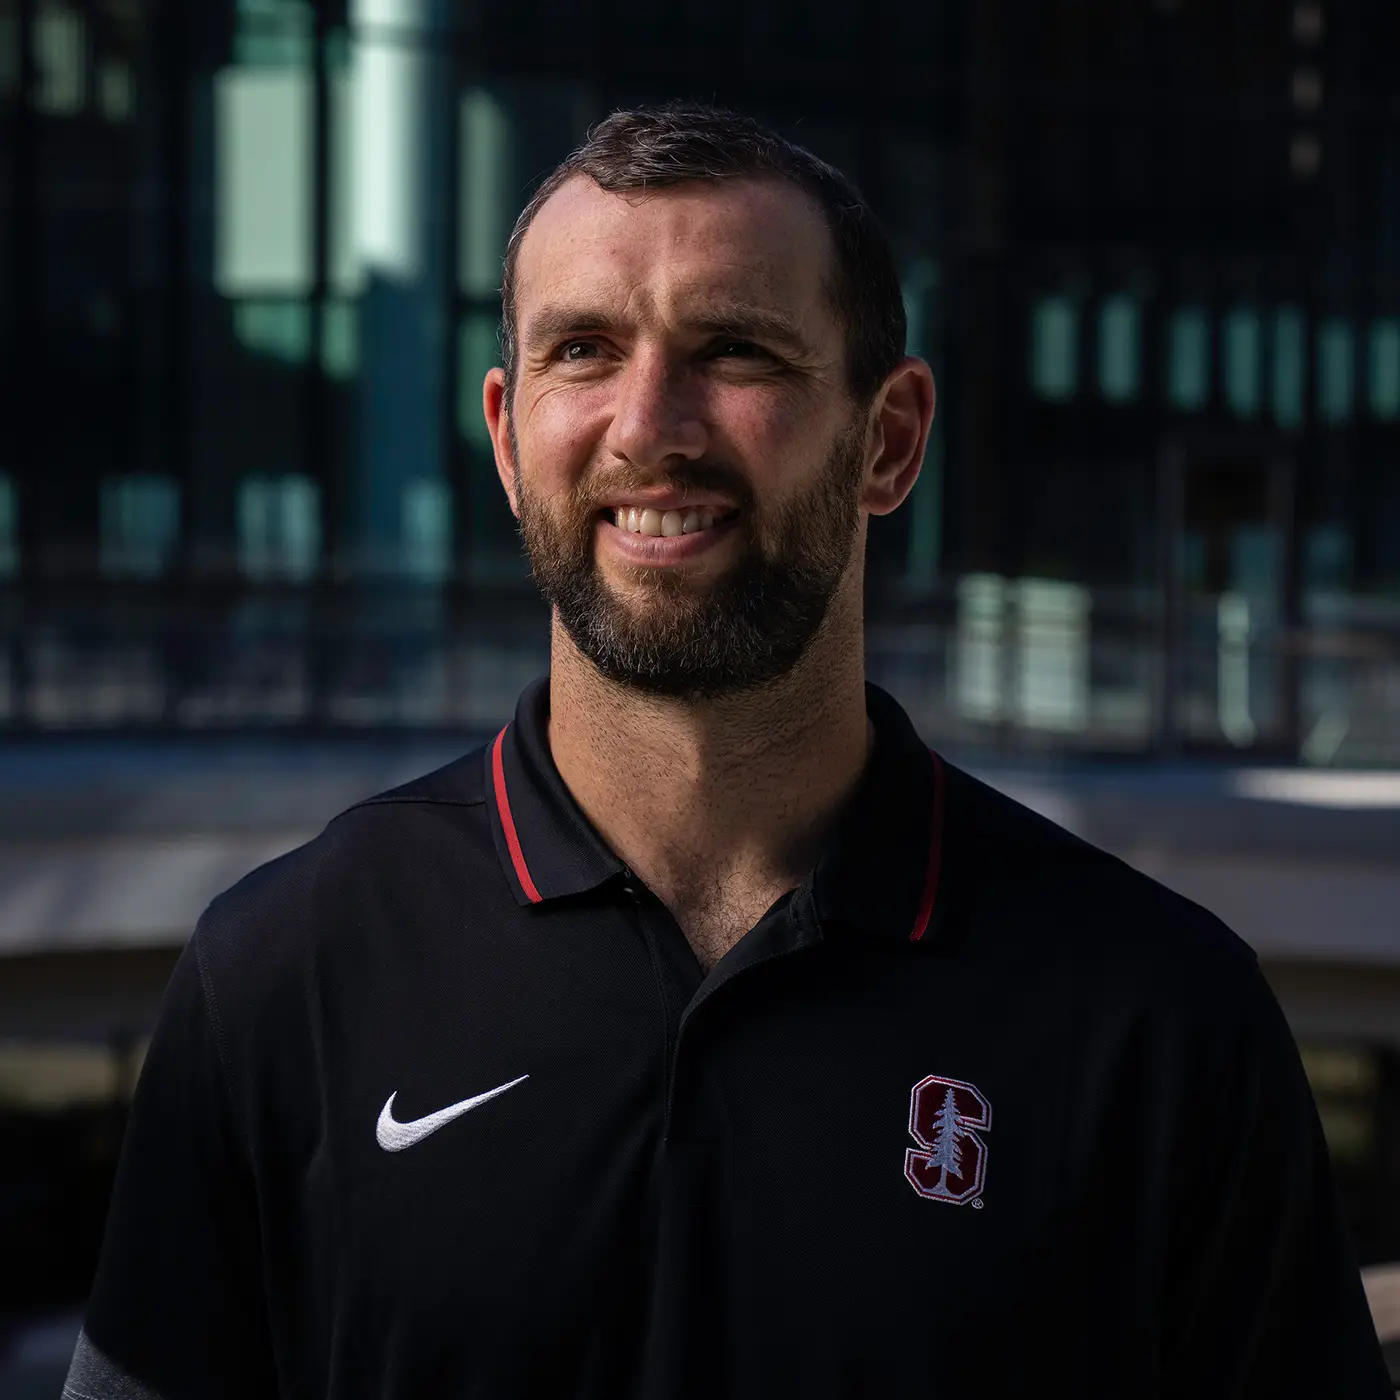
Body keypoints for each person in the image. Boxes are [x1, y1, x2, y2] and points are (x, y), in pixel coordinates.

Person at [66, 104, 1389, 1399]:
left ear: (889, 438)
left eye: (737, 353)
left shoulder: (1157, 1019)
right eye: (583, 349)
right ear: (506, 437)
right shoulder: (284, 978)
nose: (651, 423)